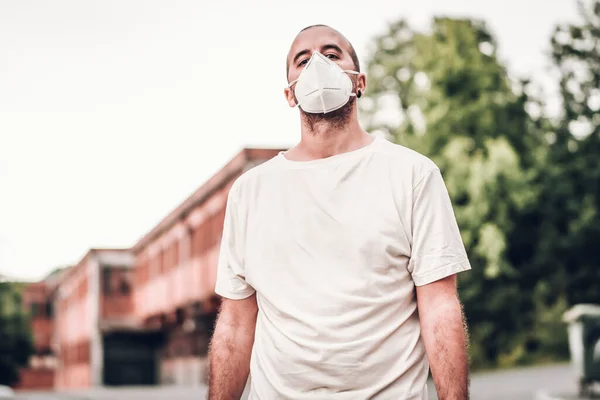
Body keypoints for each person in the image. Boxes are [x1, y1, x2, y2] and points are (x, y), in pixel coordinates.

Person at [209, 24, 471, 400]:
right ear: (289, 93)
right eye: (303, 60)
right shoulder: (250, 192)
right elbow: (235, 322)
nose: (318, 64)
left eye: (332, 55)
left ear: (359, 81)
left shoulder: (413, 175)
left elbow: (439, 305)